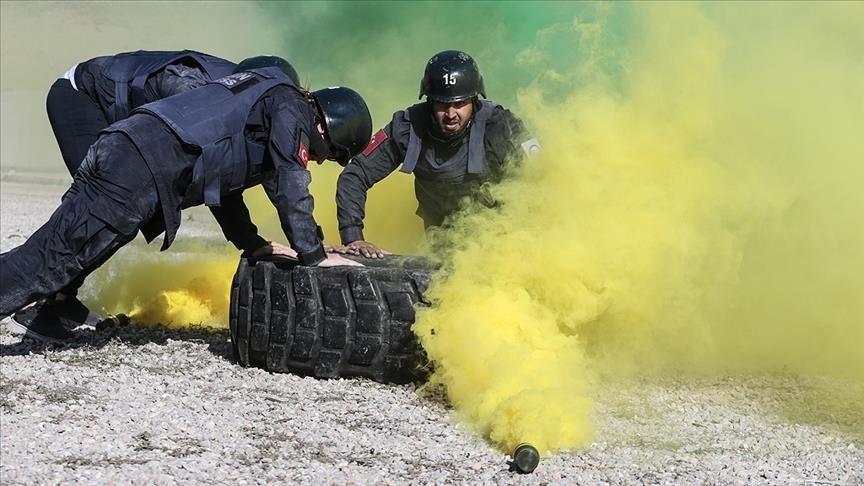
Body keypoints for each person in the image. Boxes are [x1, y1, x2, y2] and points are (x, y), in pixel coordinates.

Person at [1, 65, 372, 343]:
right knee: (50, 260)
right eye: (331, 154)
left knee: (63, 254)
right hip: (135, 167)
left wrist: (252, 243)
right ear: (328, 126)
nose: (322, 161)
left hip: (131, 158)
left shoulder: (267, 99)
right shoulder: (291, 109)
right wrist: (315, 256)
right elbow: (292, 184)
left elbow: (224, 189)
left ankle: (52, 310)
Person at [335, 50, 541, 258]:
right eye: (443, 104)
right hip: (441, 243)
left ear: (474, 99)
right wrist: (354, 238)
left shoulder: (502, 126)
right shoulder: (408, 128)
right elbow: (355, 175)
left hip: (504, 240)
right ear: (430, 102)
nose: (451, 114)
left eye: (460, 104)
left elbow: (543, 175)